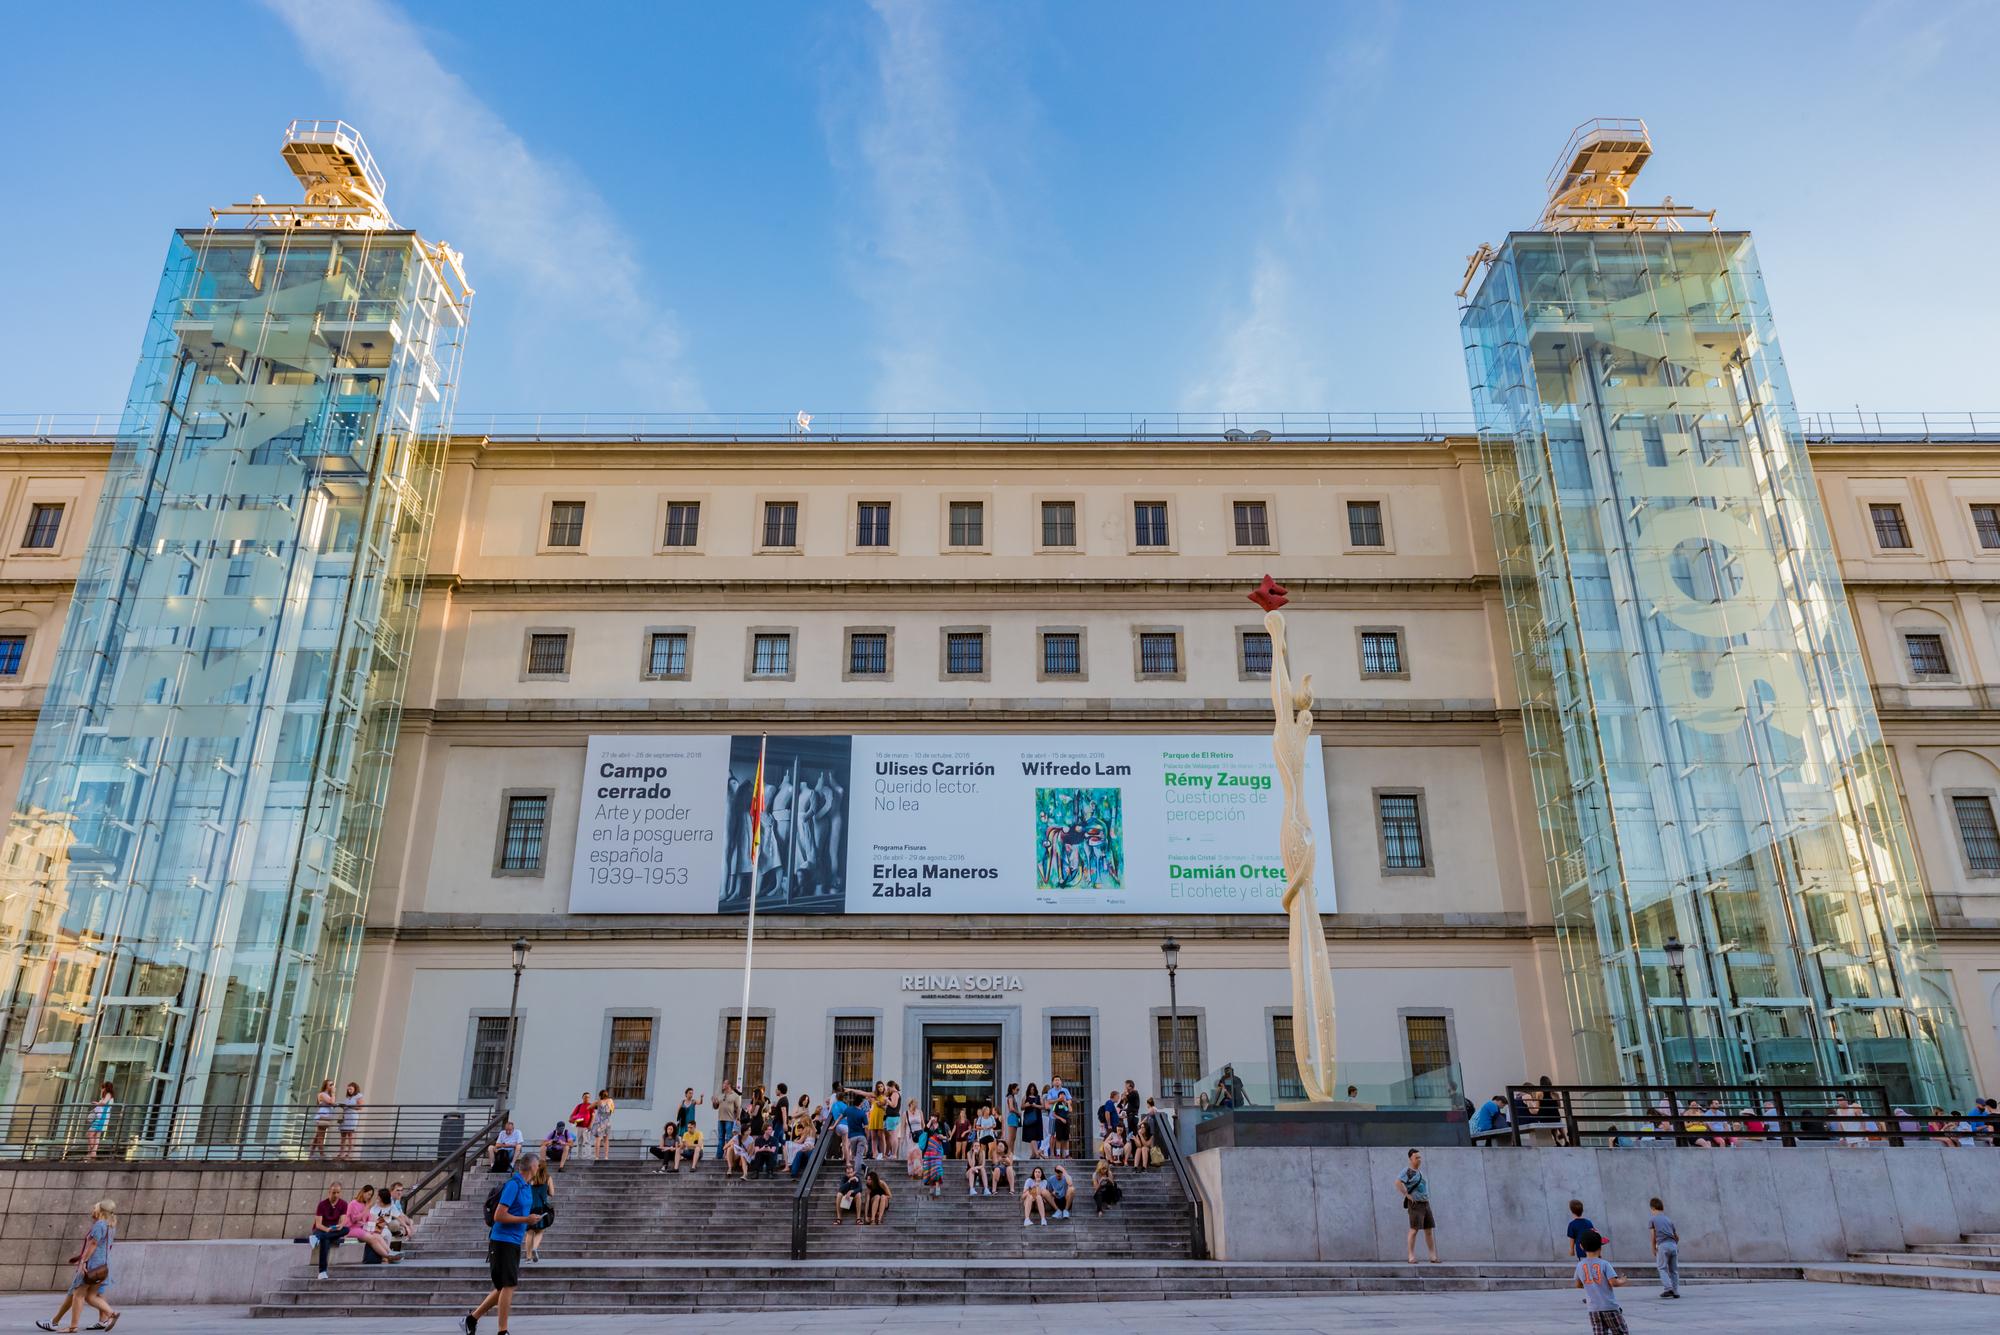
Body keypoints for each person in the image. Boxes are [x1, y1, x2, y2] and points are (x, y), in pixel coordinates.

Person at [465, 1148, 541, 1335]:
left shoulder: (527, 1187)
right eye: (538, 1166)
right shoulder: (513, 1185)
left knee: (504, 1286)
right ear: (531, 1166)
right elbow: (499, 1215)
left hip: (514, 1241)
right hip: (502, 1241)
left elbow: (520, 1213)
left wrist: (532, 1221)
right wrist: (525, 1220)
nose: (539, 1169)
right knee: (508, 1285)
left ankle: (472, 1319)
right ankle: (502, 1330)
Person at [38, 1198, 117, 1333]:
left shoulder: (100, 1225)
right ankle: (110, 1314)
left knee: (78, 1294)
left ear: (101, 1211)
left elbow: (93, 1244)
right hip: (103, 1265)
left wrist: (83, 1261)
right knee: (91, 1295)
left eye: (95, 1208)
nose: (93, 1210)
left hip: (92, 1265)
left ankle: (73, 1326)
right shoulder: (111, 1225)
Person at [1574, 1229, 1627, 1334]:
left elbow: (1578, 1284)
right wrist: (1622, 1280)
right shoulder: (1604, 1264)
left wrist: (1591, 1284)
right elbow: (1613, 1282)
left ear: (1581, 1247)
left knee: (1600, 1332)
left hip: (1593, 1309)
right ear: (1600, 1247)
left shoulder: (1580, 1265)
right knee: (1620, 1332)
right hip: (1609, 1306)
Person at [1395, 1148, 1439, 1264]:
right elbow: (1398, 1182)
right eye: (1416, 1158)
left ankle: (1433, 1256)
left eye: (1420, 1157)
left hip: (1425, 1203)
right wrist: (1406, 1194)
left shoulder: (1419, 1172)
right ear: (1410, 1159)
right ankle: (1411, 1256)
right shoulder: (1408, 1171)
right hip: (1416, 1204)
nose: (1419, 1160)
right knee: (1414, 1230)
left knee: (1428, 1230)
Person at [347, 1185, 400, 1263]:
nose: (369, 1197)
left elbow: (368, 1218)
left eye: (371, 1195)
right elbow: (355, 1219)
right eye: (368, 1194)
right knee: (372, 1239)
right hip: (352, 1228)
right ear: (363, 1192)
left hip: (363, 1228)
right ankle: (387, 1256)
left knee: (378, 1236)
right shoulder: (353, 1203)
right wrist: (367, 1208)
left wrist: (377, 1222)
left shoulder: (365, 1204)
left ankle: (391, 1252)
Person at [309, 1181, 350, 1280]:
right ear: (329, 1192)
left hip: (333, 1230)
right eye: (333, 1192)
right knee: (325, 1240)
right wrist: (326, 1230)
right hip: (321, 1229)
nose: (336, 1195)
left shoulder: (343, 1204)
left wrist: (340, 1226)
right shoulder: (322, 1204)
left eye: (338, 1192)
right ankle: (322, 1272)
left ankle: (317, 1238)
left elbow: (343, 1220)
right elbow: (318, 1224)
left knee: (346, 1229)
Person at [523, 1157, 554, 1263]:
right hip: (541, 1208)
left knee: (529, 1232)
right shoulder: (548, 1177)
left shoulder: (530, 1178)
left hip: (529, 1208)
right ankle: (535, 1248)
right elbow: (552, 1193)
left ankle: (528, 1257)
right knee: (540, 1231)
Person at [1648, 1196, 1680, 1298]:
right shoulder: (1668, 1219)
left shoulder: (1653, 1219)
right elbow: (1676, 1236)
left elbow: (1653, 1236)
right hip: (1673, 1245)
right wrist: (1674, 1245)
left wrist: (1653, 1248)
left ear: (1653, 1208)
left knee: (1662, 1268)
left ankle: (1668, 1288)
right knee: (1673, 1270)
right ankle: (1675, 1291)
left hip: (1663, 1245)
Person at [85, 1083, 114, 1161]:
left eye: (102, 1088)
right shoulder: (107, 1096)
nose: (101, 1090)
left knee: (90, 1134)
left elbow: (104, 1103)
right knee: (96, 1135)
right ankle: (92, 1153)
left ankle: (92, 1151)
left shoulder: (108, 1094)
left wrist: (97, 1103)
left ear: (105, 1088)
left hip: (102, 1117)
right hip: (101, 1117)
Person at [714, 1080, 742, 1160]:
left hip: (729, 1119)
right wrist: (714, 1102)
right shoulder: (721, 1095)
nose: (723, 1085)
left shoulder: (735, 1095)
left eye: (724, 1083)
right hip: (720, 1119)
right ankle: (719, 1156)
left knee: (729, 1138)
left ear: (729, 1085)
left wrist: (738, 1118)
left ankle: (728, 1155)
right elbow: (716, 1107)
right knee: (720, 1138)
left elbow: (738, 1108)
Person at [309, 1079, 337, 1158]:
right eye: (330, 1085)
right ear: (326, 1086)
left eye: (333, 1084)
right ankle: (322, 1154)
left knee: (318, 1136)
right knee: (321, 1136)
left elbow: (332, 1103)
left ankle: (311, 1153)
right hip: (323, 1116)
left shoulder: (328, 1095)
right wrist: (333, 1093)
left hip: (326, 1116)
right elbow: (331, 1102)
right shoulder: (322, 1094)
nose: (332, 1086)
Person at [337, 1082, 364, 1160]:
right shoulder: (347, 1097)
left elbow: (360, 1107)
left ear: (355, 1088)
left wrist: (350, 1106)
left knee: (350, 1136)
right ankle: (341, 1153)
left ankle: (349, 1154)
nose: (349, 1090)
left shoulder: (358, 1096)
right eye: (348, 1089)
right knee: (343, 1136)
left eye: (351, 1089)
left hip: (352, 1117)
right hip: (345, 1117)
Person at [569, 1091, 596, 1161]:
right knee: (579, 1142)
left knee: (587, 1141)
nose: (587, 1098)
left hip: (587, 1127)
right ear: (582, 1097)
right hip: (579, 1126)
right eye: (585, 1097)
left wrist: (590, 1125)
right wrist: (571, 1120)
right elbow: (572, 1115)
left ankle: (588, 1156)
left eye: (588, 1097)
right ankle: (579, 1156)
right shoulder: (579, 1106)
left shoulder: (591, 1106)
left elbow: (593, 1116)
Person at [1021, 1083, 1045, 1159]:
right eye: (1031, 1089)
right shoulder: (1025, 1097)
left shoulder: (1039, 1097)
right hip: (1028, 1119)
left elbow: (1043, 1107)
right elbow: (1021, 1107)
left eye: (1033, 1089)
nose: (1032, 1090)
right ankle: (1037, 1153)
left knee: (1034, 1137)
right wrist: (1026, 1105)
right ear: (1028, 1089)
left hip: (1037, 1119)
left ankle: (1034, 1154)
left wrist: (1035, 1105)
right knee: (1031, 1136)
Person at [592, 1089, 615, 1162]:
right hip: (607, 1121)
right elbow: (613, 1110)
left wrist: (596, 1107)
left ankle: (597, 1157)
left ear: (600, 1095)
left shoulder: (598, 1101)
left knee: (598, 1139)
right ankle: (606, 1156)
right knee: (606, 1140)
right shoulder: (610, 1100)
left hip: (600, 1122)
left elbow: (589, 1107)